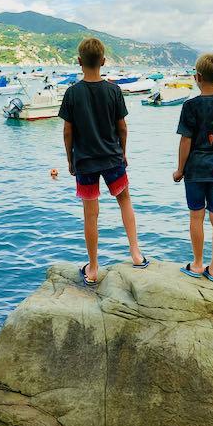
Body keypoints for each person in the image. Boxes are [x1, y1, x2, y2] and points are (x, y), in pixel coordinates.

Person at [59, 37, 147, 286]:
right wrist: (124, 152)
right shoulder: (113, 90)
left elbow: (68, 131)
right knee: (125, 200)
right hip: (112, 157)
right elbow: (123, 127)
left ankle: (94, 268)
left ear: (79, 62)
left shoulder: (72, 92)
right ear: (104, 61)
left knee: (90, 215)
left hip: (85, 160)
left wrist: (70, 159)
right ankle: (136, 254)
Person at [173, 53, 213, 283]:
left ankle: (198, 264)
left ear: (197, 77)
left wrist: (180, 169)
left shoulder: (190, 106)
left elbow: (186, 141)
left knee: (196, 216)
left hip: (196, 170)